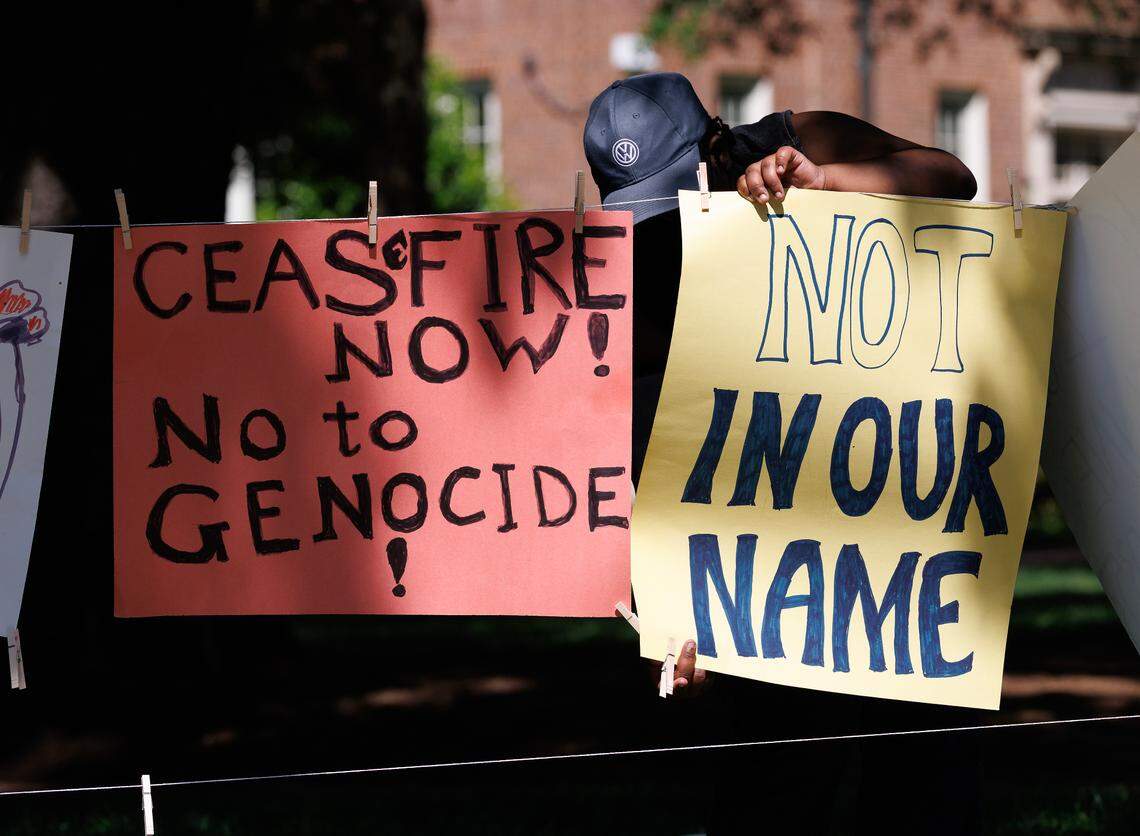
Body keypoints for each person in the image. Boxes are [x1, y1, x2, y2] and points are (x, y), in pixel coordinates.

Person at [583, 72, 982, 836]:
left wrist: (831, 182)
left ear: (715, 144)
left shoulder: (800, 140)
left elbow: (952, 180)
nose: (667, 221)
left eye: (677, 190)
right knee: (775, 780)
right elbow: (657, 434)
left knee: (925, 776)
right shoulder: (637, 269)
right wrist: (673, 614)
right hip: (777, 573)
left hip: (895, 540)